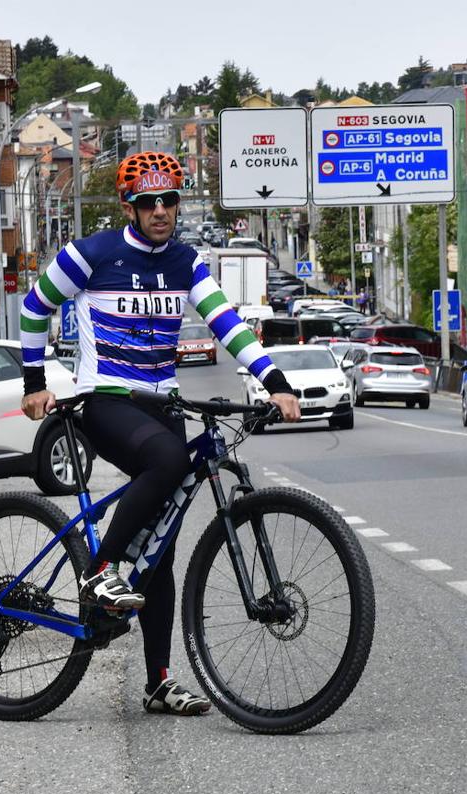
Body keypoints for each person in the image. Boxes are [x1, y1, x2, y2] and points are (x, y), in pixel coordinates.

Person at [19, 151, 300, 715]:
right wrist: (32, 382)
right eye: (148, 202)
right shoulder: (91, 254)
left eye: (169, 199)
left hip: (162, 401)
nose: (160, 211)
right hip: (106, 400)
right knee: (168, 460)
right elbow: (33, 307)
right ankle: (100, 573)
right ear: (130, 205)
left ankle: (159, 682)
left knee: (163, 550)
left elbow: (226, 322)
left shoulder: (185, 261)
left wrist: (275, 381)